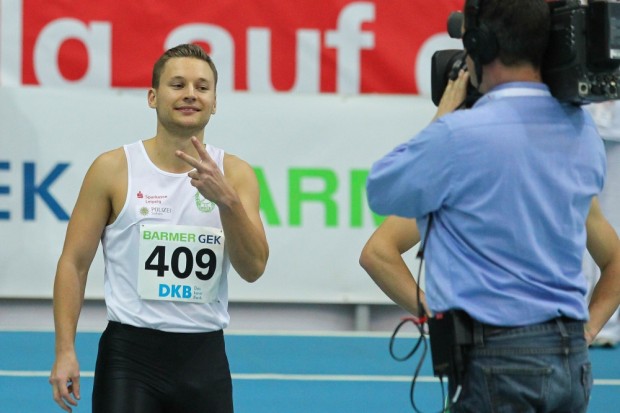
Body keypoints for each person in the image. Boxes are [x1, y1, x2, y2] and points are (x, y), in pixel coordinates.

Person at [364, 0, 620, 411]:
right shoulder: (582, 132)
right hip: (571, 359)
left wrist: (444, 114)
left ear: (481, 45)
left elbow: (382, 189)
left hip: (498, 360)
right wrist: (584, 332)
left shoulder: (459, 136)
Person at [49, 43, 269, 413]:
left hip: (205, 357)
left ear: (215, 102)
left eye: (202, 87)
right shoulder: (113, 169)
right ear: (152, 97)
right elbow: (74, 263)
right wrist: (65, 350)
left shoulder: (236, 175)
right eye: (177, 84)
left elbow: (253, 269)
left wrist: (227, 203)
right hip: (130, 359)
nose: (190, 95)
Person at [584, 101, 620, 347]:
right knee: (583, 221)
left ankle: (609, 322)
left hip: (616, 128)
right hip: (582, 123)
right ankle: (581, 311)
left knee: (613, 220)